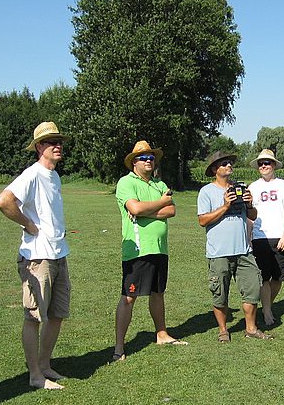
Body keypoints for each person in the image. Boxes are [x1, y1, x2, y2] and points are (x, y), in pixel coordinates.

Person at [0, 122, 71, 390]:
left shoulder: (54, 176)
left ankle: (45, 364)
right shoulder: (32, 174)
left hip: (59, 254)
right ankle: (35, 376)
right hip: (37, 258)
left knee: (58, 313)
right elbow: (3, 201)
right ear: (39, 147)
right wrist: (28, 224)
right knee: (34, 317)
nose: (57, 146)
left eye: (59, 141)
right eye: (51, 142)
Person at [113, 140, 187, 361]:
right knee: (129, 296)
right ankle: (119, 348)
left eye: (151, 157)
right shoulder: (126, 183)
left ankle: (161, 334)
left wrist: (146, 211)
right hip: (137, 250)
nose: (148, 160)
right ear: (134, 162)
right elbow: (134, 207)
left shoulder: (159, 184)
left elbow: (171, 210)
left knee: (158, 293)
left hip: (160, 249)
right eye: (143, 157)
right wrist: (159, 203)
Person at [197, 150, 272, 342]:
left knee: (253, 289)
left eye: (230, 162)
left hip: (244, 251)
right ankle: (223, 330)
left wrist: (249, 204)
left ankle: (251, 328)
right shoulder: (206, 191)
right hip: (219, 252)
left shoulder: (240, 188)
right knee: (220, 293)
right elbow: (202, 220)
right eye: (224, 163)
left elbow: (252, 216)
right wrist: (225, 206)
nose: (229, 165)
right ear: (214, 169)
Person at [247, 149, 284, 326]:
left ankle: (267, 304)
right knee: (263, 277)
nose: (263, 166)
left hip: (280, 237)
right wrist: (249, 237)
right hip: (260, 237)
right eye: (260, 163)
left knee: (279, 277)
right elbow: (249, 215)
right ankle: (267, 311)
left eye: (267, 163)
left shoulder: (283, 185)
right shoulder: (253, 187)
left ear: (274, 165)